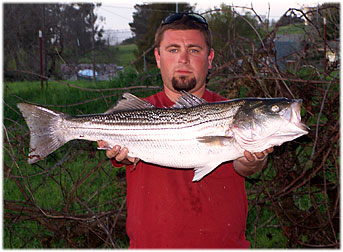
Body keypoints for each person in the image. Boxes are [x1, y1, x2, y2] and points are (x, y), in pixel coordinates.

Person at [98, 13, 273, 248]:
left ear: (209, 58)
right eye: (172, 50)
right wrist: (119, 153)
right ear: (158, 58)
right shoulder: (135, 113)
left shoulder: (236, 112)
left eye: (193, 50)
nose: (183, 59)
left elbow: (244, 166)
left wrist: (254, 161)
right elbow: (121, 156)